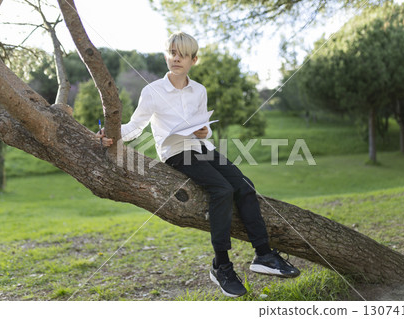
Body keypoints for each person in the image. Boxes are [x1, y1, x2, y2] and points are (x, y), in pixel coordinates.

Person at [97, 31, 300, 298]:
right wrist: (113, 133)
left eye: (182, 55)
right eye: (172, 53)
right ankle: (222, 266)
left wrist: (205, 133)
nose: (176, 59)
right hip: (176, 153)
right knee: (222, 190)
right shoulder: (153, 91)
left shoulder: (199, 90)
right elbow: (136, 125)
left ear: (194, 59)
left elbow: (202, 128)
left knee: (245, 187)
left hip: (204, 149)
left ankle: (263, 255)